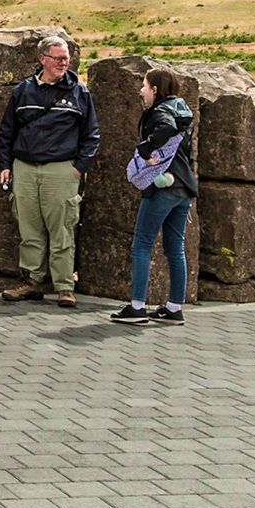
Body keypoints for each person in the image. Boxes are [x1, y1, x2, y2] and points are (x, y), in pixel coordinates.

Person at [0, 36, 101, 308]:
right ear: (42, 59)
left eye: (66, 58)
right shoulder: (23, 92)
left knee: (62, 229)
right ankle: (32, 282)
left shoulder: (80, 93)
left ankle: (64, 286)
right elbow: (7, 131)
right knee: (29, 228)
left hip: (61, 169)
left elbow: (92, 134)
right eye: (57, 58)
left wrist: (79, 169)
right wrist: (5, 166)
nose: (63, 63)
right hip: (25, 169)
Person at [110, 68, 198, 326]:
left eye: (144, 85)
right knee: (175, 248)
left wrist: (145, 148)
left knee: (142, 244)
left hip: (162, 187)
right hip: (184, 187)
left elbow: (166, 128)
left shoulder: (161, 111)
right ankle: (173, 308)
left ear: (156, 89)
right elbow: (187, 152)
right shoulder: (184, 110)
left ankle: (137, 306)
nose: (141, 90)